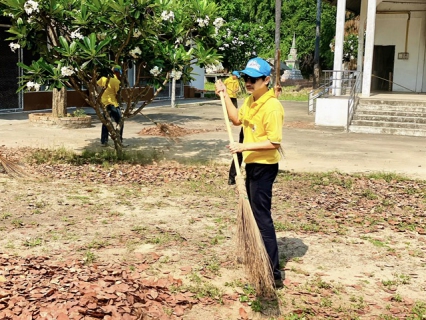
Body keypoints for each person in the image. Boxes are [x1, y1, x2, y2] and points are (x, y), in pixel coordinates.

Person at [215, 57, 285, 289]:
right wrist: (225, 95)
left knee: (261, 216)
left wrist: (243, 147)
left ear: (266, 80)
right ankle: (256, 253)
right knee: (254, 214)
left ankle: (273, 271)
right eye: (246, 78)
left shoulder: (272, 107)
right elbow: (236, 120)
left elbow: (274, 142)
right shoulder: (251, 100)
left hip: (264, 167)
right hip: (252, 164)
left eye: (253, 79)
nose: (248, 82)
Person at [224, 71, 243, 185]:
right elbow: (237, 120)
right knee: (240, 152)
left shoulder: (236, 82)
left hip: (234, 96)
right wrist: (225, 93)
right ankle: (232, 177)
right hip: (247, 130)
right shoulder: (229, 80)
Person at [97, 65, 123, 146]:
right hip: (112, 104)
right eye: (120, 73)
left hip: (104, 103)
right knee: (120, 122)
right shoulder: (116, 81)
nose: (120, 75)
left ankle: (104, 141)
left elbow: (96, 86)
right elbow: (117, 94)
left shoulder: (103, 79)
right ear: (117, 72)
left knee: (106, 122)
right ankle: (119, 140)